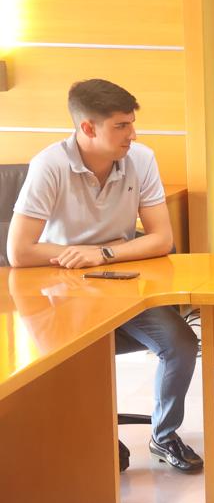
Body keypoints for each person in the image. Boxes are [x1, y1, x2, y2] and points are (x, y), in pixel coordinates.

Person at [7, 79, 202, 473]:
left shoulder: (141, 159)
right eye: (121, 126)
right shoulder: (50, 165)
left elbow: (162, 239)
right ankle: (96, 434)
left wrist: (103, 252)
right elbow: (20, 252)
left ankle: (164, 436)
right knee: (83, 353)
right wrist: (92, 253)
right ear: (88, 128)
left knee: (181, 342)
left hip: (121, 279)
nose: (133, 135)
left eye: (132, 123)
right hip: (62, 288)